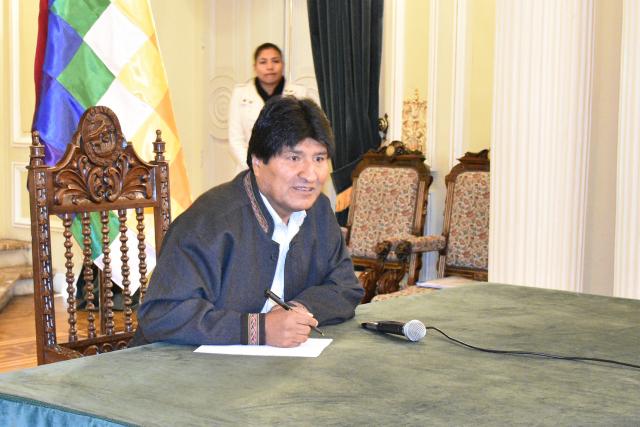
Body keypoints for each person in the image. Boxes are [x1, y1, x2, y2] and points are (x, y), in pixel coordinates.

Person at [132, 96, 363, 348]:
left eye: (319, 159)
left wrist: (297, 310)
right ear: (257, 162)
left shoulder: (318, 211)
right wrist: (259, 329)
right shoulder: (210, 221)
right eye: (294, 158)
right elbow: (162, 314)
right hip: (175, 363)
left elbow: (346, 286)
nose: (309, 175)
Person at [228, 42, 311, 172]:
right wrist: (255, 167)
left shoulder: (299, 93)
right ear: (255, 67)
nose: (270, 67)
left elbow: (305, 136)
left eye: (275, 61)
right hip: (250, 169)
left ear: (282, 65)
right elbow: (235, 140)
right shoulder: (240, 94)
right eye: (263, 62)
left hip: (289, 169)